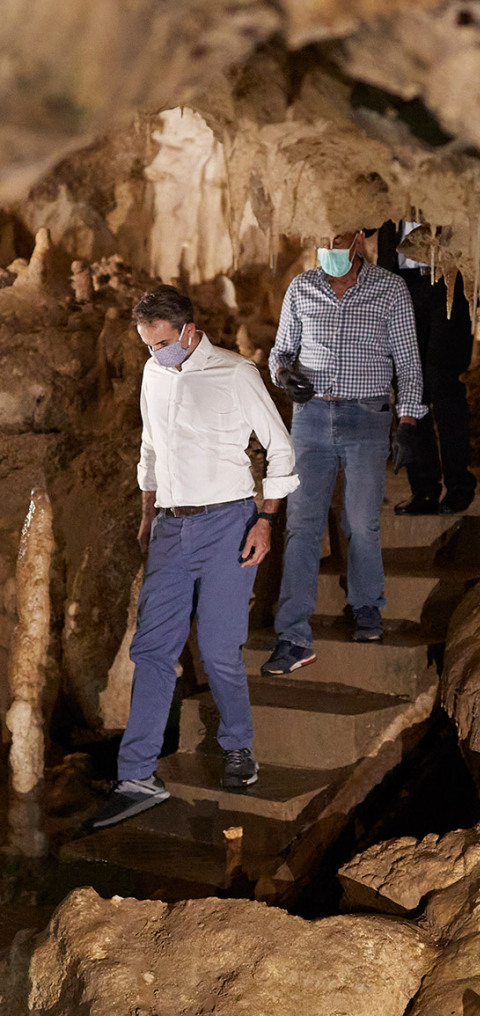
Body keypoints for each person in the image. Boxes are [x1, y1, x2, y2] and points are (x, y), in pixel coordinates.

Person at [87, 285, 298, 830]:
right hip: (169, 526)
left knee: (219, 646)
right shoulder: (153, 374)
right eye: (146, 345)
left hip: (228, 522)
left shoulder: (235, 373)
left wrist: (266, 521)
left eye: (160, 343)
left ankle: (238, 746)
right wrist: (147, 515)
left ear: (187, 330)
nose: (154, 353)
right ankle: (136, 776)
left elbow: (280, 448)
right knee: (152, 648)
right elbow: (150, 449)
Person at [261, 228, 426, 673]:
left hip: (366, 415)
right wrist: (283, 375)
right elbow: (281, 351)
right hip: (311, 417)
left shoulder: (389, 289)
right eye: (323, 239)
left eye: (336, 239)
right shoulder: (302, 288)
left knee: (361, 521)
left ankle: (366, 606)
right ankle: (292, 634)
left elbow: (408, 361)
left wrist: (408, 421)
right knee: (302, 525)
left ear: (357, 240)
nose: (328, 249)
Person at [380, 221, 477, 516]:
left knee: (441, 381)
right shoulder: (391, 199)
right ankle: (423, 489)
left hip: (448, 278)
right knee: (408, 384)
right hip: (401, 282)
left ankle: (459, 484)